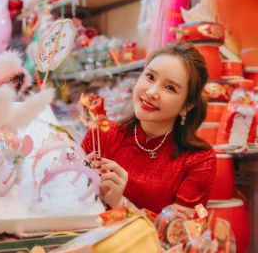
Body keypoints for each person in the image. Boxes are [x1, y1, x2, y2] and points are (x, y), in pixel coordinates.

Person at [81, 42, 216, 214]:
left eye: (170, 88)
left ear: (186, 106)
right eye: (150, 77)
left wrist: (121, 204)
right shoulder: (101, 135)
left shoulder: (199, 160)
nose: (152, 92)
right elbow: (66, 201)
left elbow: (177, 233)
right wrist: (82, 182)